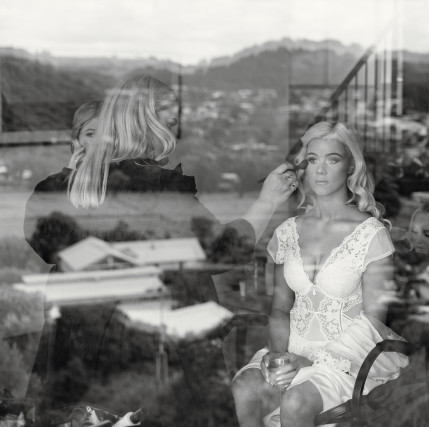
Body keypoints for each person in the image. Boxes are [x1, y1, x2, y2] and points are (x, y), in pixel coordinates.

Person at [22, 75, 298, 420]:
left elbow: (43, 241)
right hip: (151, 355)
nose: (174, 126)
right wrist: (267, 201)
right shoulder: (157, 190)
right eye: (168, 118)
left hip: (81, 351)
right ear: (145, 122)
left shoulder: (65, 189)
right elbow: (223, 251)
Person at [231, 122, 407, 427]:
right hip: (292, 349)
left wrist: (310, 362)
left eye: (332, 159)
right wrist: (277, 355)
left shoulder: (371, 234)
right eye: (313, 160)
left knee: (296, 401)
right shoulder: (287, 232)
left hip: (349, 357)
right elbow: (280, 308)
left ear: (351, 166)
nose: (321, 170)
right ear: (303, 167)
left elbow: (374, 319)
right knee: (245, 389)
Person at [30, 100, 101, 192]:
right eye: (90, 134)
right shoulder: (48, 187)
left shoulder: (119, 181)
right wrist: (68, 175)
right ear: (76, 141)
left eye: (108, 134)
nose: (100, 141)